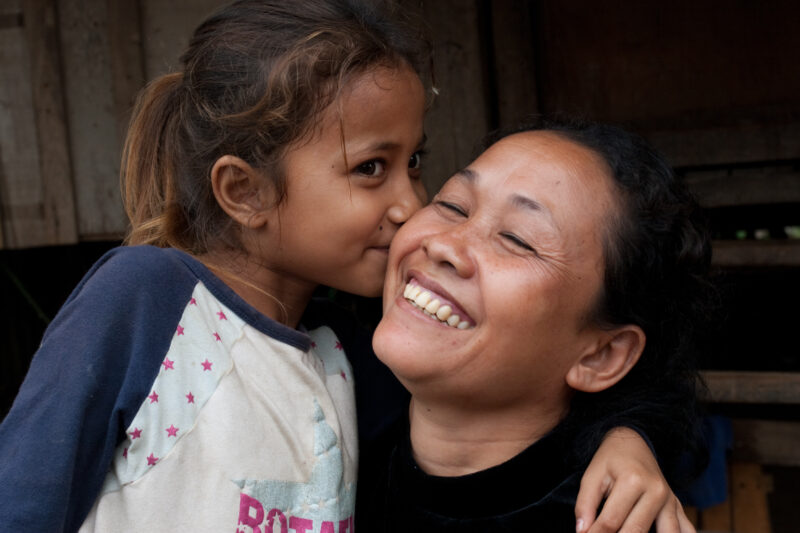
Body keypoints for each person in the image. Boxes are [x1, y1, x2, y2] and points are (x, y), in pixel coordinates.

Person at [0, 2, 688, 532]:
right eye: (370, 169)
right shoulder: (146, 299)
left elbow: (622, 390)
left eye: (415, 164)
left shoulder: (345, 358)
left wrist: (628, 438)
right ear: (246, 192)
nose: (410, 205)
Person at [360, 118, 712, 531]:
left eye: (518, 240)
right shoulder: (332, 409)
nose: (443, 244)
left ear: (601, 355)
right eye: (452, 205)